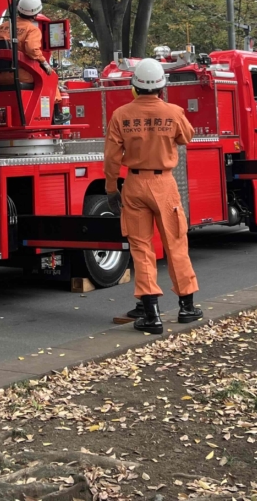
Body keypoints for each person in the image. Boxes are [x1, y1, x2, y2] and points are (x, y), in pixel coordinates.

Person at [104, 57, 201, 334]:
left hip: (134, 184)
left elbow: (112, 158)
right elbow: (187, 137)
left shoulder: (121, 115)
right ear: (162, 86)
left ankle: (151, 314)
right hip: (164, 184)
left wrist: (112, 188)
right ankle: (186, 306)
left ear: (134, 86)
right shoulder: (173, 112)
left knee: (141, 249)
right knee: (176, 244)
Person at [0, 0, 64, 120]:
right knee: (51, 77)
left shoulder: (2, 27)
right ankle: (55, 114)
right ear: (36, 12)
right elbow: (31, 49)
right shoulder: (32, 29)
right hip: (20, 75)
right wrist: (45, 63)